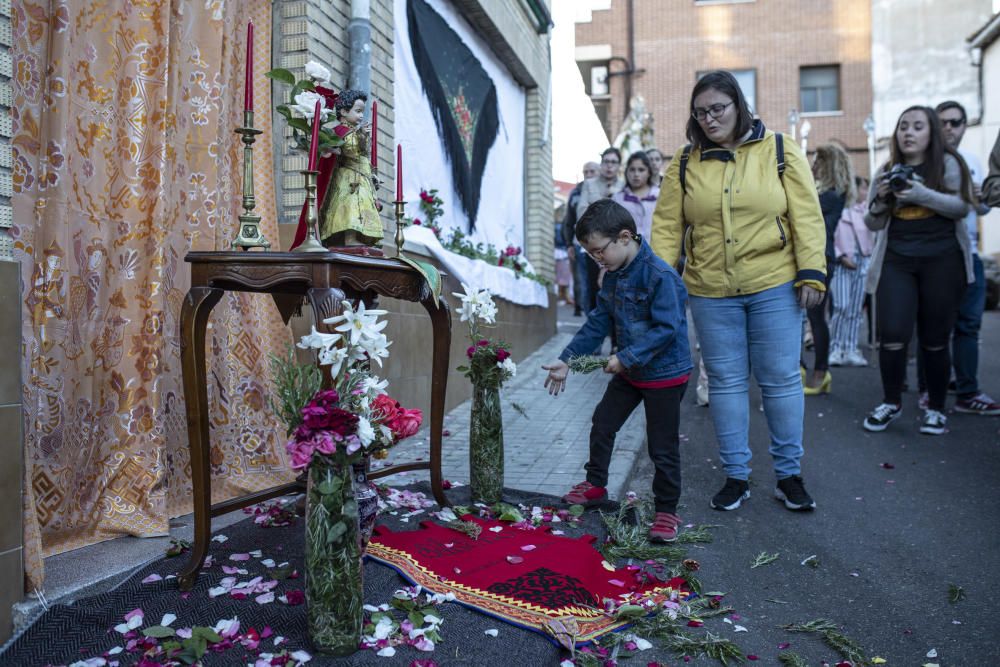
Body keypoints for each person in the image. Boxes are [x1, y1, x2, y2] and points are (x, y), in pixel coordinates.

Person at [651, 70, 827, 513]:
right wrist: (658, 280)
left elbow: (807, 216)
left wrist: (812, 273)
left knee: (781, 380)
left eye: (717, 109)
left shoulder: (781, 151)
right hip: (710, 289)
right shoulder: (685, 162)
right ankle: (736, 476)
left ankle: (789, 475)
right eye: (700, 112)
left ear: (738, 105)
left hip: (774, 284)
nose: (709, 119)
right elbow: (669, 226)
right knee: (726, 383)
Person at [543, 199, 692, 542]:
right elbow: (598, 321)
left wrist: (626, 357)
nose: (597, 259)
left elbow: (667, 328)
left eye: (599, 251)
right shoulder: (612, 276)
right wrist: (568, 358)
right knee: (603, 423)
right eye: (591, 254)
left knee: (662, 446)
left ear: (624, 237)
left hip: (665, 375)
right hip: (630, 374)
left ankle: (667, 511)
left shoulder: (661, 276)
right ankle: (596, 485)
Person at [862, 106, 975, 436]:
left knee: (935, 340)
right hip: (896, 261)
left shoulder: (948, 163)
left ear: (931, 134)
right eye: (903, 127)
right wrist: (883, 199)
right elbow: (872, 221)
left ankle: (936, 409)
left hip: (943, 261)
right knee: (893, 335)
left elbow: (962, 207)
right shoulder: (885, 170)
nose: (908, 133)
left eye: (917, 127)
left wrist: (921, 193)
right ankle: (891, 402)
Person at [914, 102, 997, 414]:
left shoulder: (973, 161)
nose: (950, 128)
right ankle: (927, 389)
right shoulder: (922, 162)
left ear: (964, 126)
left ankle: (967, 391)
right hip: (935, 257)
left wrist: (978, 198)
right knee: (932, 328)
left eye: (957, 122)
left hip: (969, 254)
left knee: (969, 326)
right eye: (944, 122)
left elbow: (985, 208)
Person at [803, 143, 855, 394]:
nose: (812, 166)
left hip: (821, 259)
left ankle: (821, 372)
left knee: (816, 317)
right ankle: (804, 368)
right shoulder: (821, 192)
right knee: (805, 317)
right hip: (811, 258)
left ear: (828, 165)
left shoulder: (831, 195)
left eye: (817, 162)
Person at [318, 90, 382, 246]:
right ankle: (349, 238)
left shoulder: (355, 131)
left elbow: (363, 157)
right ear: (344, 111)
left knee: (363, 207)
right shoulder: (340, 132)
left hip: (361, 176)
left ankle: (361, 237)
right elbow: (349, 150)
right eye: (358, 111)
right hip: (348, 179)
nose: (361, 116)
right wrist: (359, 135)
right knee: (350, 206)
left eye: (362, 112)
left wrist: (372, 175)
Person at [829, 176, 875, 367]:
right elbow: (829, 234)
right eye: (863, 189)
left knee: (856, 310)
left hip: (863, 263)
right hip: (842, 264)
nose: (865, 193)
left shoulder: (867, 211)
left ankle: (851, 348)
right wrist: (839, 256)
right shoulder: (841, 209)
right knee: (841, 306)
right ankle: (836, 348)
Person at [575, 148, 625, 313]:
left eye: (613, 162)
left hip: (617, 245)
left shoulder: (624, 186)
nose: (609, 166)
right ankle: (594, 327)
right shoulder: (589, 184)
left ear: (619, 165)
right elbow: (582, 211)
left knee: (617, 288)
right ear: (602, 164)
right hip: (593, 246)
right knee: (592, 288)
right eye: (606, 162)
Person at [563, 161, 600, 316]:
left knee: (600, 282)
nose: (589, 175)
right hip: (580, 244)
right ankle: (587, 314)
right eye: (586, 172)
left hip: (602, 243)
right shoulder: (576, 193)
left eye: (592, 171)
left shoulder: (604, 189)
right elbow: (569, 220)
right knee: (583, 281)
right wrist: (568, 244)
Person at [612, 151, 660, 239]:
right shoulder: (618, 198)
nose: (636, 174)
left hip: (657, 249)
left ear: (649, 172)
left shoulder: (659, 195)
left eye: (641, 170)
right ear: (626, 172)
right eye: (632, 170)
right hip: (628, 250)